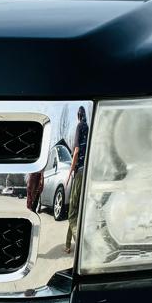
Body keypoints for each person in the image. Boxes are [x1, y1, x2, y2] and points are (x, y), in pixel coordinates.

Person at [65, 106, 88, 253]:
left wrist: (69, 172)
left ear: (78, 115)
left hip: (79, 172)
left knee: (72, 214)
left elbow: (76, 151)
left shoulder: (79, 126)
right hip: (87, 173)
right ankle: (67, 245)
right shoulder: (88, 128)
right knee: (76, 212)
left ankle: (82, 249)